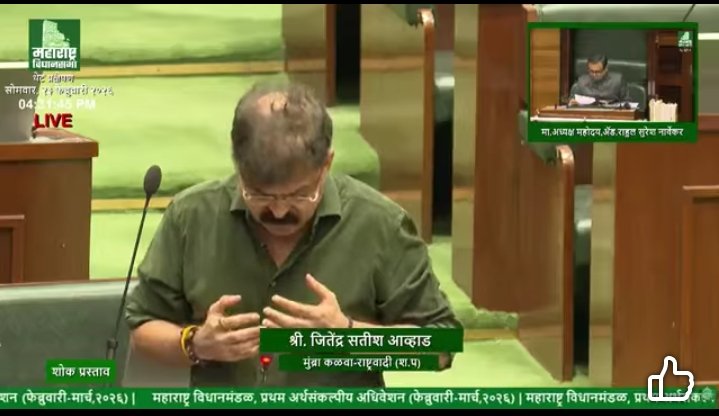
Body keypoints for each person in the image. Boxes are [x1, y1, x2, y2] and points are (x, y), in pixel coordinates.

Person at [124, 80, 461, 387]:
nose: (279, 211)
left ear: (326, 165)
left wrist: (348, 337)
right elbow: (143, 327)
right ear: (237, 164)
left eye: (300, 195)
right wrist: (195, 343)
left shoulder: (379, 223)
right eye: (259, 194)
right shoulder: (191, 216)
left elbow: (442, 348)